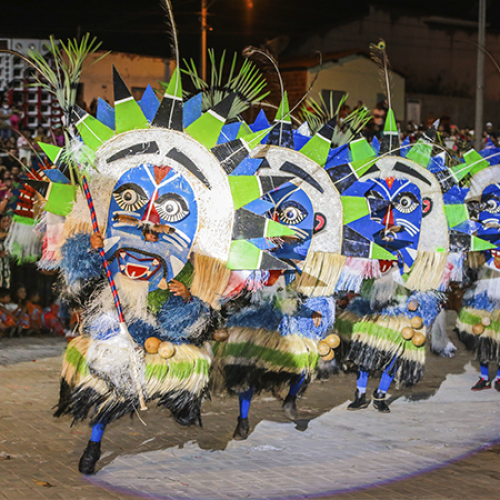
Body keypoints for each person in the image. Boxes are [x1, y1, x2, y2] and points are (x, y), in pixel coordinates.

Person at [0, 214, 10, 288]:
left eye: (7, 221)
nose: (6, 223)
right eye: (3, 221)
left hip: (5, 267)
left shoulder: (8, 237)